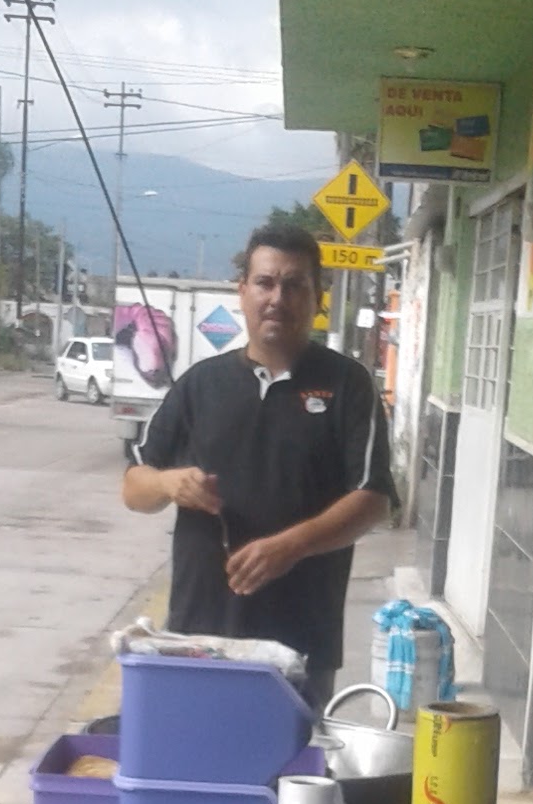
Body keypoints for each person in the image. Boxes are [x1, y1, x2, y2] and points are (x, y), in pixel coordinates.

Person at [122, 222, 397, 708]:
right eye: (266, 283)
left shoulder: (347, 385)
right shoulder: (199, 385)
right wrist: (168, 482)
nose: (278, 298)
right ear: (243, 291)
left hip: (300, 640)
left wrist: (290, 547)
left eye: (294, 285)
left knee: (290, 778)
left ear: (317, 296)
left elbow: (373, 498)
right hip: (197, 637)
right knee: (197, 774)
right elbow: (134, 487)